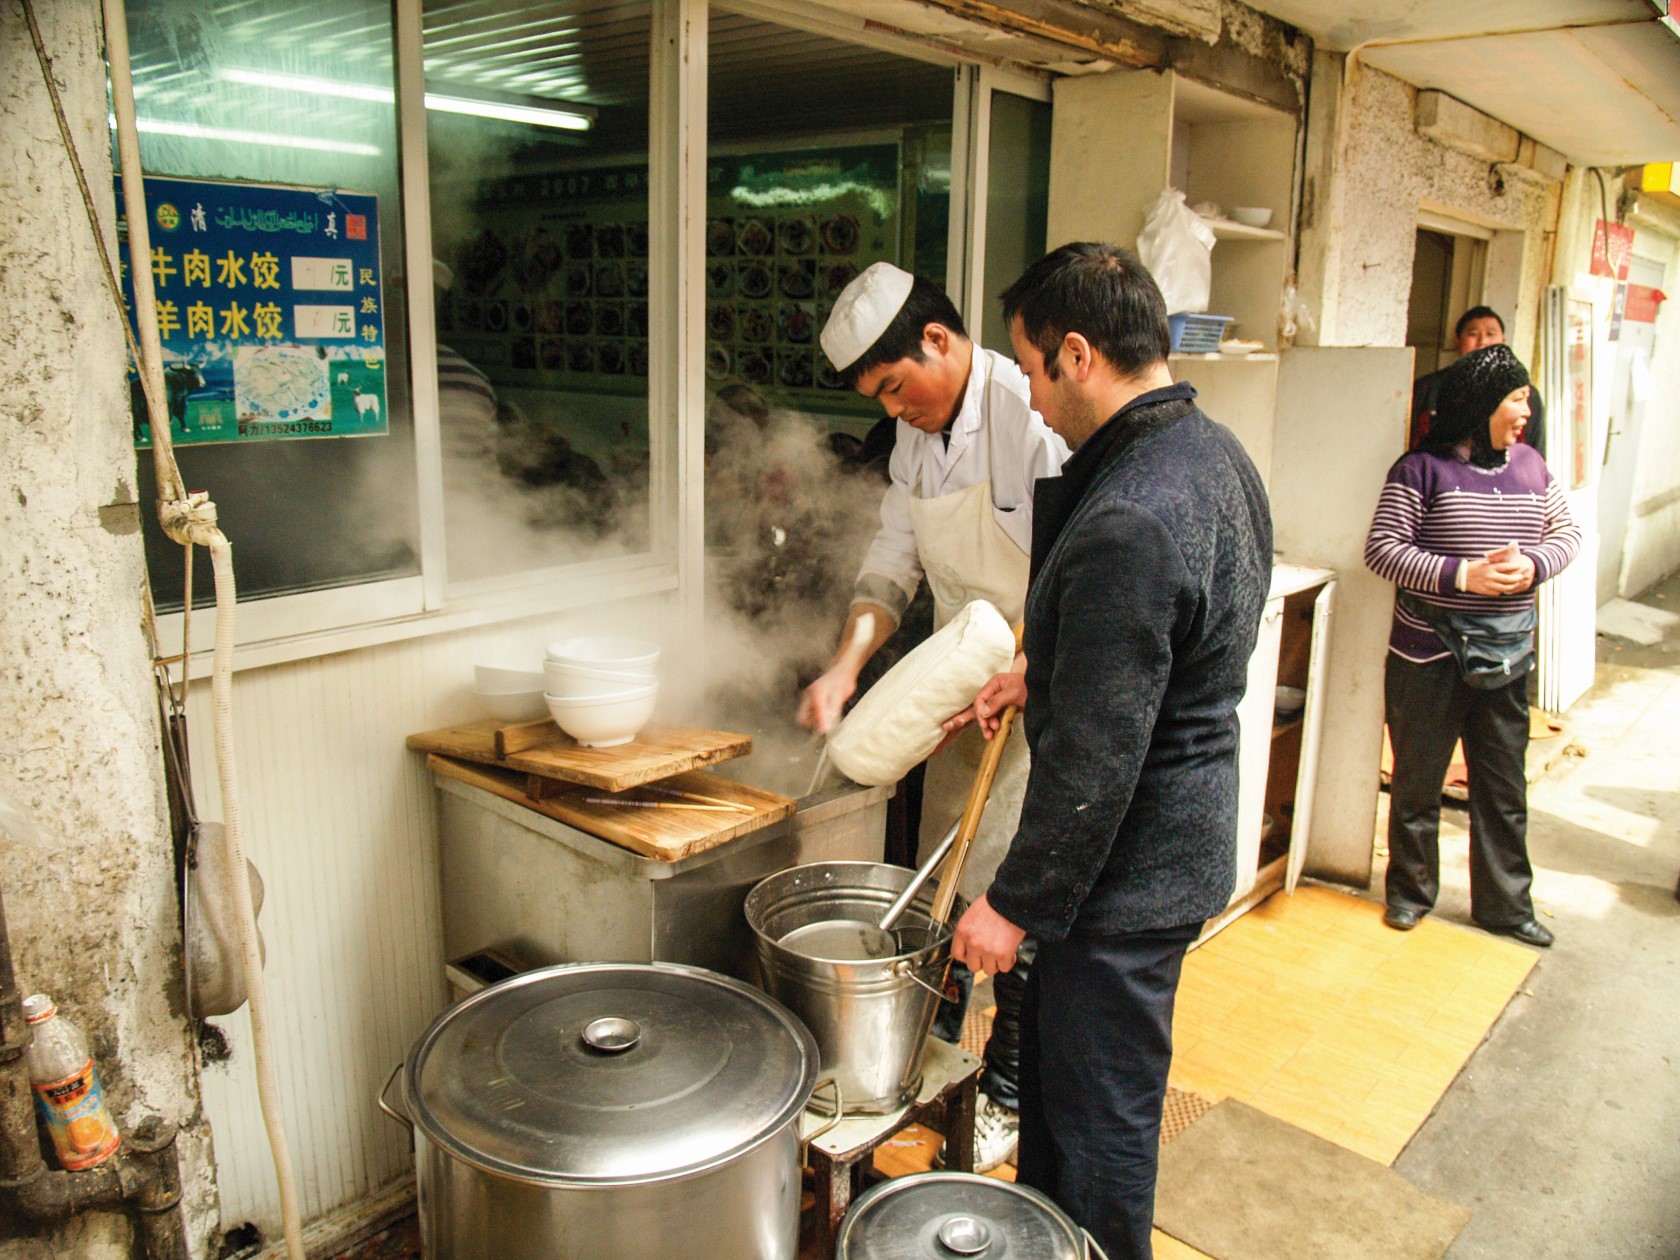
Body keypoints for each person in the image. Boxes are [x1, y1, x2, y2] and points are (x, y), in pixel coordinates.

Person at [946, 242, 1271, 1259]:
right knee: (1062, 1093)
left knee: (1099, 1129)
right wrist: (1050, 673)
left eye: (1035, 370)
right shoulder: (1211, 453)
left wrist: (1012, 903)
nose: (1033, 399)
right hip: (1169, 848)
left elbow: (1098, 765)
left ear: (1078, 354)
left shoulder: (1134, 509)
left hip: (1126, 875)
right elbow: (1176, 645)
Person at [796, 261, 1068, 1171]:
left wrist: (1028, 666)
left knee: (1014, 905)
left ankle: (1009, 1096)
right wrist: (844, 669)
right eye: (876, 398)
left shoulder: (1030, 418)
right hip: (966, 684)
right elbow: (891, 562)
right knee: (943, 884)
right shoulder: (916, 441)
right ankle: (936, 1067)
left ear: (941, 343)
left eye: (894, 385)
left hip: (1043, 681)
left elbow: (1076, 565)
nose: (891, 410)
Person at [1367, 343, 1580, 945]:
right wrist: (1466, 576)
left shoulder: (1533, 467)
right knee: (1416, 784)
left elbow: (1566, 532)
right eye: (1515, 397)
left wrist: (1534, 565)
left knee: (1503, 788)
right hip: (1427, 656)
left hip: (1507, 656)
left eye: (1524, 396)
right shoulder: (1420, 470)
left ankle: (1506, 908)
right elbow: (1383, 549)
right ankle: (1410, 895)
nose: (1525, 408)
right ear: (1480, 405)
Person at [1411, 306, 1547, 460]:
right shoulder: (1427, 388)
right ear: (1457, 341)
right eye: (1473, 334)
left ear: (1503, 341)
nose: (1482, 341)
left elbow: (1537, 450)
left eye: (1491, 334)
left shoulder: (1526, 394)